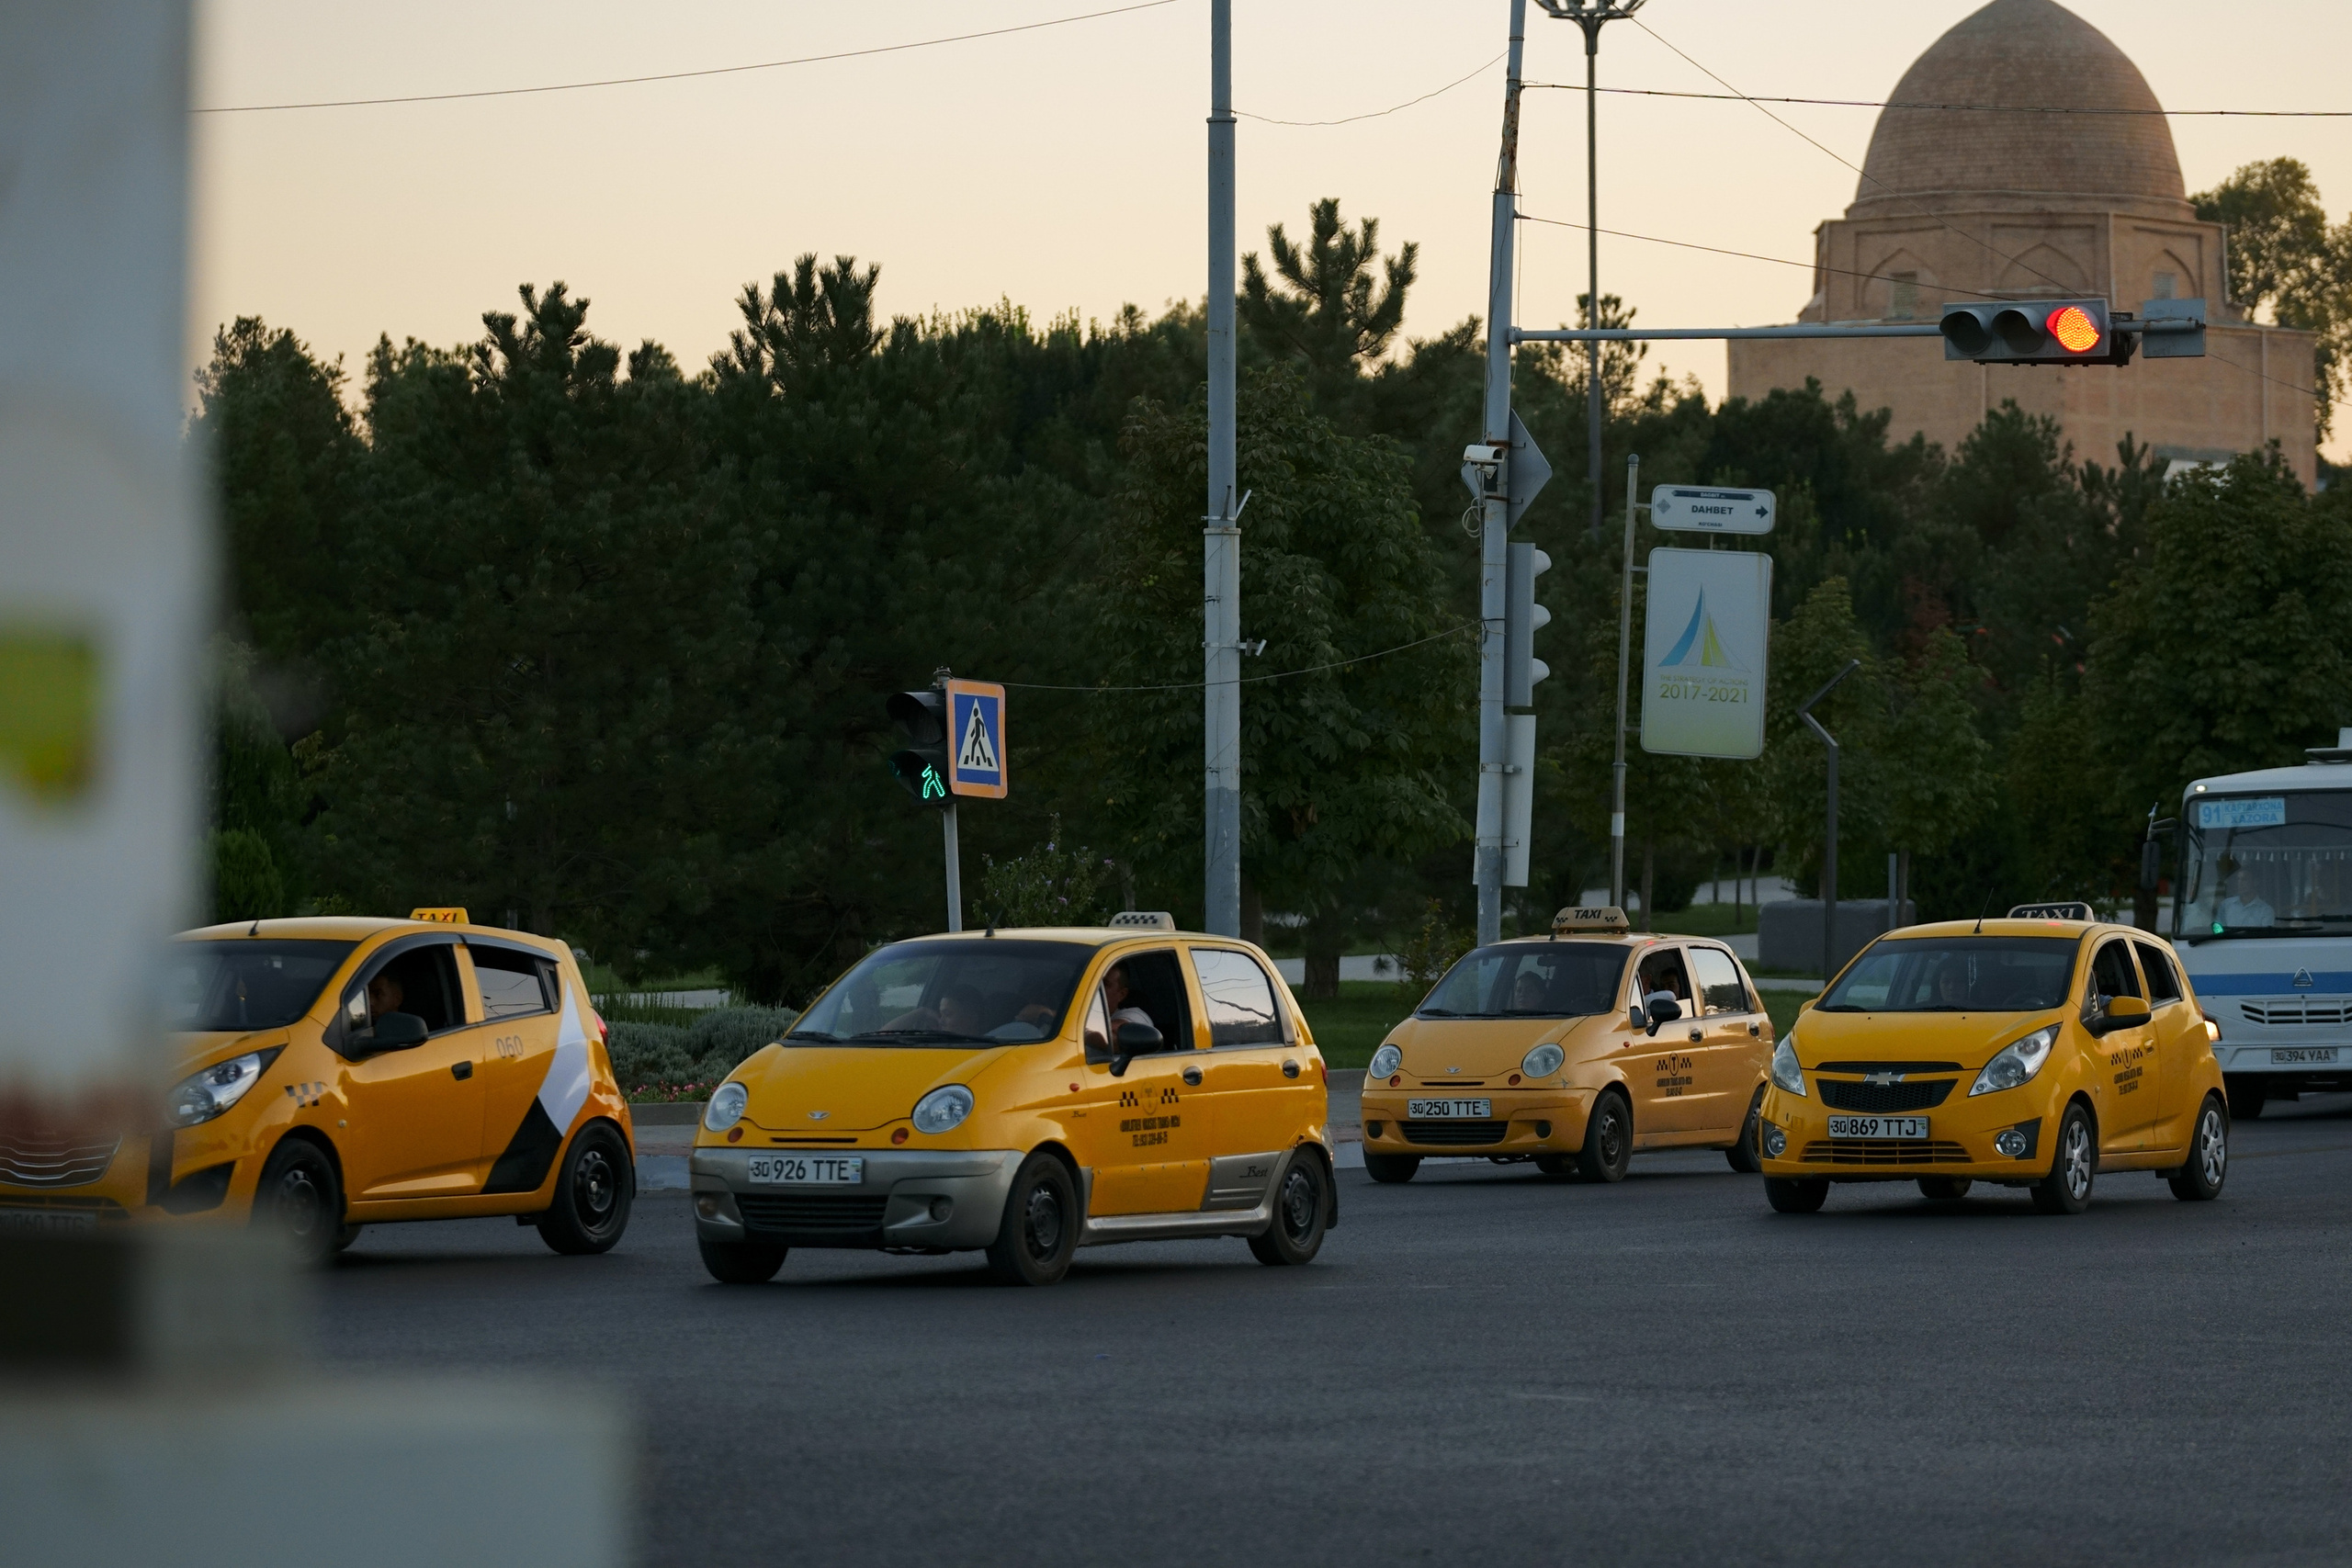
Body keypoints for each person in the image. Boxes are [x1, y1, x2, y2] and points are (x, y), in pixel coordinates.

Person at [2218, 865, 2276, 929]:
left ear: (2255, 882)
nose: (2240, 883)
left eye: (2244, 879)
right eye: (2238, 879)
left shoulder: (2266, 911)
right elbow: (2219, 930)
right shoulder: (2226, 905)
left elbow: (2265, 936)